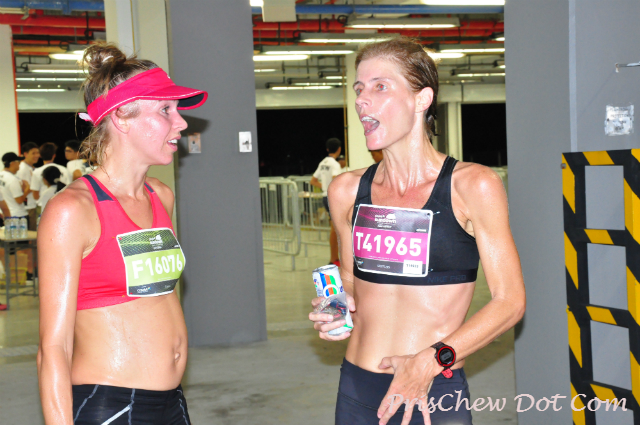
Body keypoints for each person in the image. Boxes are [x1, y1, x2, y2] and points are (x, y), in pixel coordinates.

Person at [309, 38, 526, 425]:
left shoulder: (471, 186)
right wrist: (337, 307)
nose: (362, 100)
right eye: (359, 89)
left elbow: (509, 302)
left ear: (421, 99)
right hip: (357, 388)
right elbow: (350, 279)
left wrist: (432, 360)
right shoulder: (345, 190)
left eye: (380, 86)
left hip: (433, 389)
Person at [37, 42, 207, 424]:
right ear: (122, 117)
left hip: (172, 402)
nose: (181, 123)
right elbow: (53, 347)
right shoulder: (73, 211)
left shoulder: (161, 196)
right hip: (110, 403)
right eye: (165, 110)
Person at [310, 137, 342, 265]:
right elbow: (335, 181)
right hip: (333, 198)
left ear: (328, 149)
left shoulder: (323, 163)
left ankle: (334, 258)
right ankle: (334, 259)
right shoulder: (335, 164)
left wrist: (325, 187)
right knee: (337, 229)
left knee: (334, 228)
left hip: (325, 197)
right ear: (339, 149)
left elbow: (313, 181)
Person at [16, 142, 40, 230]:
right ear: (25, 154)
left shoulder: (30, 167)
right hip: (29, 206)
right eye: (33, 153)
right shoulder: (23, 169)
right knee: (32, 233)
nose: (37, 155)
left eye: (37, 153)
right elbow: (24, 188)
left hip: (32, 205)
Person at [0, 152, 29, 221]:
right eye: (18, 162)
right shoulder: (12, 179)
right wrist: (27, 189)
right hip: (18, 215)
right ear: (12, 163)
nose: (20, 164)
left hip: (6, 213)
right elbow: (19, 200)